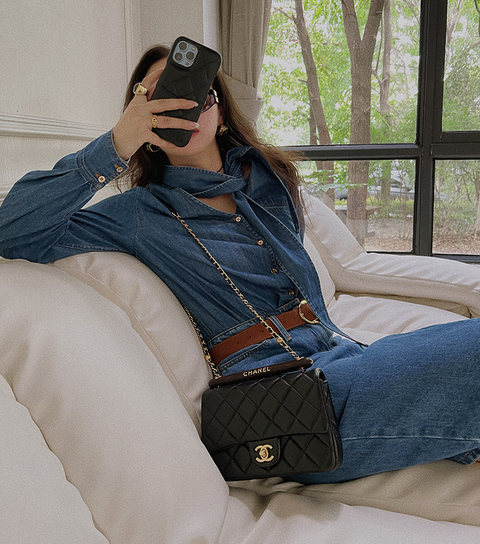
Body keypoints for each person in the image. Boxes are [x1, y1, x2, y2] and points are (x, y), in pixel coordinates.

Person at [0, 44, 479, 484]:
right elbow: (13, 230)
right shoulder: (139, 214)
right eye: (160, 98)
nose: (182, 107)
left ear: (222, 112)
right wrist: (114, 145)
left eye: (195, 94)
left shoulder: (267, 182)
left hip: (342, 357)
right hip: (289, 404)